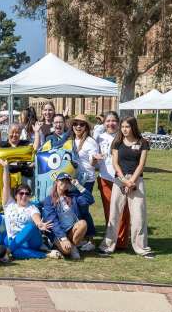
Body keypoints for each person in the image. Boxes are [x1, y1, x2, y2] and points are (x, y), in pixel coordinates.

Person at [98, 117, 154, 258]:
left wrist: (132, 181)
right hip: (119, 180)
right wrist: (124, 180)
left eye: (127, 126)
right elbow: (115, 163)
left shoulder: (143, 143)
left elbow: (141, 165)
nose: (124, 129)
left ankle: (142, 248)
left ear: (133, 127)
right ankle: (107, 246)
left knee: (138, 216)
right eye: (122, 126)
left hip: (136, 181)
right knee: (114, 214)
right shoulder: (117, 142)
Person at [0, 158, 58, 260]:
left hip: (31, 241)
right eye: (21, 193)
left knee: (30, 227)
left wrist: (39, 224)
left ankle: (7, 251)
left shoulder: (32, 208)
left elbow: (36, 217)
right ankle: (46, 255)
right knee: (13, 246)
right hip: (15, 241)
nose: (24, 196)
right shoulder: (8, 204)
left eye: (27, 194)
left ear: (29, 196)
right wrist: (6, 168)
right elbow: (6, 185)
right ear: (15, 195)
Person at [95, 111, 129, 249]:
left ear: (118, 122)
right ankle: (111, 239)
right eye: (108, 121)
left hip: (121, 178)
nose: (111, 123)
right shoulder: (99, 137)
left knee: (123, 211)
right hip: (105, 178)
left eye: (113, 120)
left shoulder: (123, 137)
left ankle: (121, 241)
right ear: (104, 123)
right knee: (109, 211)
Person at [42, 173, 94, 260]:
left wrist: (78, 185)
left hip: (71, 230)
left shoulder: (73, 196)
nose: (64, 183)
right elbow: (53, 222)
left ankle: (72, 246)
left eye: (67, 181)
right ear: (56, 182)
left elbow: (90, 200)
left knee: (83, 223)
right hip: (57, 233)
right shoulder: (48, 200)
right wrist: (63, 238)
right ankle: (63, 246)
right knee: (67, 251)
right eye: (62, 180)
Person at [70, 114, 99, 250]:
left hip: (86, 180)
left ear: (86, 126)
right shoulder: (70, 140)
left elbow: (93, 162)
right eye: (76, 123)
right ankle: (81, 236)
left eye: (81, 124)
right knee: (75, 207)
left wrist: (95, 159)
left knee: (83, 206)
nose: (78, 126)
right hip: (73, 180)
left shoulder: (90, 142)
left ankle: (91, 239)